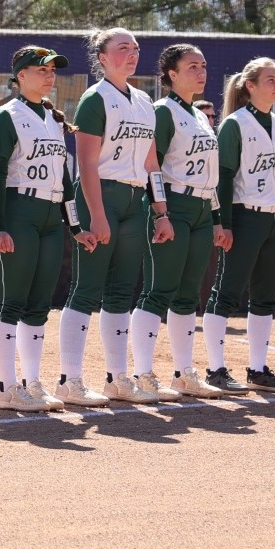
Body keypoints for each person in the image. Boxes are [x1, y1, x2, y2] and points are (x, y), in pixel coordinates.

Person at [57, 28, 174, 407]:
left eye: (136, 48)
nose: (132, 53)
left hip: (135, 199)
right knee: (87, 288)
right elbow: (87, 163)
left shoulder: (144, 101)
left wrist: (161, 211)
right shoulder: (95, 98)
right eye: (122, 47)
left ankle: (117, 378)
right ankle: (69, 380)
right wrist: (96, 214)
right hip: (102, 194)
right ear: (102, 57)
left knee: (122, 291)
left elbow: (152, 163)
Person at [0, 47, 86, 412]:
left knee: (39, 305)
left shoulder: (54, 119)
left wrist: (75, 225)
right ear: (20, 75)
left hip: (49, 217)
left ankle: (31, 382)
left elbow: (65, 179)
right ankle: (6, 387)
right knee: (11, 300)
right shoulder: (5, 117)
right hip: (19, 210)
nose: (49, 76)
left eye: (52, 70)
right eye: (41, 69)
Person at [132, 44, 229, 398]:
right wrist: (161, 212)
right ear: (171, 74)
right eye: (192, 66)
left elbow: (211, 174)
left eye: (203, 66)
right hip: (173, 204)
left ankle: (183, 373)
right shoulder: (163, 111)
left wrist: (217, 219)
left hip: (202, 209)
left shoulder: (202, 116)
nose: (201, 72)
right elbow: (150, 164)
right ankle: (142, 374)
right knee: (159, 290)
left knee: (188, 295)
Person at [201, 58, 275, 392]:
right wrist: (222, 224)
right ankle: (215, 369)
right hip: (244, 216)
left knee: (265, 298)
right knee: (226, 293)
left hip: (274, 218)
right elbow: (223, 178)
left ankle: (257, 370)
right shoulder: (235, 124)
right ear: (250, 86)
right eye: (270, 79)